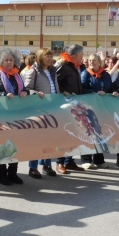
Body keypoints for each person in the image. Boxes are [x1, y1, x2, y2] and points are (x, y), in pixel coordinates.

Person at [0, 49, 40, 185]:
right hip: (1, 115)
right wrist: (3, 95)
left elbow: (22, 90)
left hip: (18, 115)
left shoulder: (16, 74)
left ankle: (13, 173)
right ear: (1, 61)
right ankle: (2, 175)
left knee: (17, 143)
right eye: (6, 60)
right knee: (3, 145)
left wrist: (26, 92)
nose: (9, 62)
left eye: (11, 60)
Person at [22, 48, 61, 178]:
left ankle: (47, 165)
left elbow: (55, 88)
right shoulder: (33, 71)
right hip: (38, 109)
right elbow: (26, 90)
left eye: (50, 56)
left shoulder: (52, 71)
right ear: (40, 58)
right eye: (46, 56)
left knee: (50, 139)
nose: (49, 59)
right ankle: (32, 168)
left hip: (52, 108)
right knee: (37, 139)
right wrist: (36, 93)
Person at [80, 53, 119, 169]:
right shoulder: (85, 74)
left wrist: (115, 91)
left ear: (99, 62)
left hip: (102, 107)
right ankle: (86, 160)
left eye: (94, 60)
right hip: (88, 108)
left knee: (100, 132)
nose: (92, 62)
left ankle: (99, 160)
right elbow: (82, 89)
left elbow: (111, 87)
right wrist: (95, 92)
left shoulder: (106, 74)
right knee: (88, 133)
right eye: (90, 60)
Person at [54, 45, 85, 173]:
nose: (83, 57)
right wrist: (64, 92)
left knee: (75, 134)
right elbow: (56, 83)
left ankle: (69, 161)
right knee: (65, 135)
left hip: (76, 105)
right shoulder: (63, 65)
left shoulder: (73, 66)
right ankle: (59, 162)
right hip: (65, 105)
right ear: (76, 55)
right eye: (82, 55)